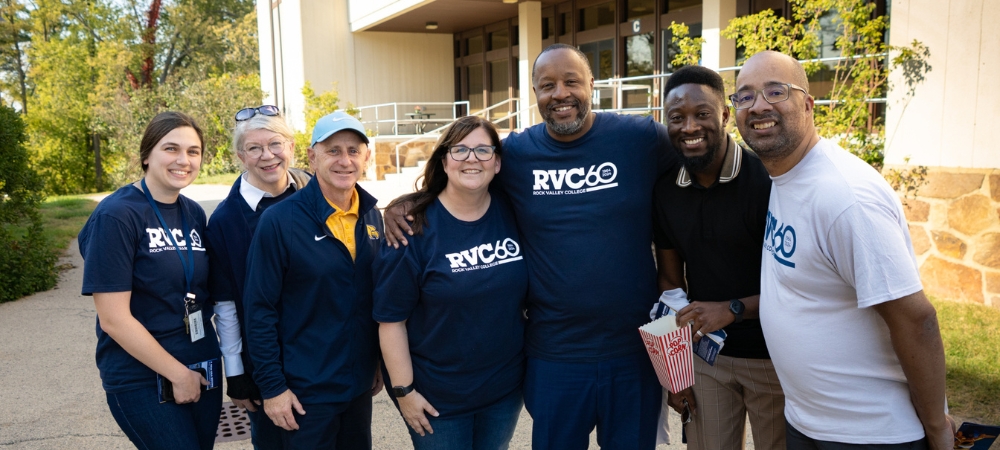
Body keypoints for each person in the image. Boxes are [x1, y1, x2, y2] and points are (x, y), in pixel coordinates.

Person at [385, 44, 675, 449]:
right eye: (547, 85)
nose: (560, 93)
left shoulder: (640, 137)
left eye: (571, 81)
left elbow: (699, 162)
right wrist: (408, 203)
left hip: (633, 351)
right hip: (554, 353)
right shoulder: (517, 155)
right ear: (534, 94)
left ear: (592, 84)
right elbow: (466, 176)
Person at [734, 50, 952, 449]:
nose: (758, 105)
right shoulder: (787, 177)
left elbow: (915, 320)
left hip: (868, 433)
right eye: (744, 96)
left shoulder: (844, 196)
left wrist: (938, 428)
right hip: (808, 421)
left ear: (808, 103)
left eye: (775, 91)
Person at [650, 65, 785, 449]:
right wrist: (675, 373)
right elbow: (671, 285)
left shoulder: (767, 181)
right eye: (677, 118)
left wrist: (733, 308)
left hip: (774, 357)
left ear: (725, 115)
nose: (689, 127)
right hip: (708, 358)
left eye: (702, 114)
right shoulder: (665, 191)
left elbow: (798, 283)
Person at [374, 116, 527, 449]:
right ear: (444, 161)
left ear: (497, 163)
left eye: (483, 150)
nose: (472, 158)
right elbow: (390, 321)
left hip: (503, 392)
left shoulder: (515, 211)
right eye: (460, 150)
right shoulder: (411, 230)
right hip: (437, 399)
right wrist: (404, 392)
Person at [79, 111, 221, 449]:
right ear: (146, 156)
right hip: (142, 376)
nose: (183, 160)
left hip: (201, 365)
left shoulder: (192, 212)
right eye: (171, 149)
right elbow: (114, 319)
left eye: (193, 151)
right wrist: (177, 374)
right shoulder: (117, 215)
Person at [242, 111, 385, 448]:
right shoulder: (279, 222)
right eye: (333, 150)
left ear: (366, 156)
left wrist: (376, 361)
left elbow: (370, 297)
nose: (344, 160)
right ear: (312, 156)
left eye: (353, 150)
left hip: (358, 387)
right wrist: (273, 388)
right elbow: (259, 311)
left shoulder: (372, 215)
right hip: (305, 392)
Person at [205, 105, 312, 449]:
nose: (268, 156)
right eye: (254, 148)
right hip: (267, 365)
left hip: (325, 357)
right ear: (240, 155)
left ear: (292, 147)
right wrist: (236, 373)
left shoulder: (318, 195)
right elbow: (225, 303)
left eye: (276, 144)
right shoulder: (225, 221)